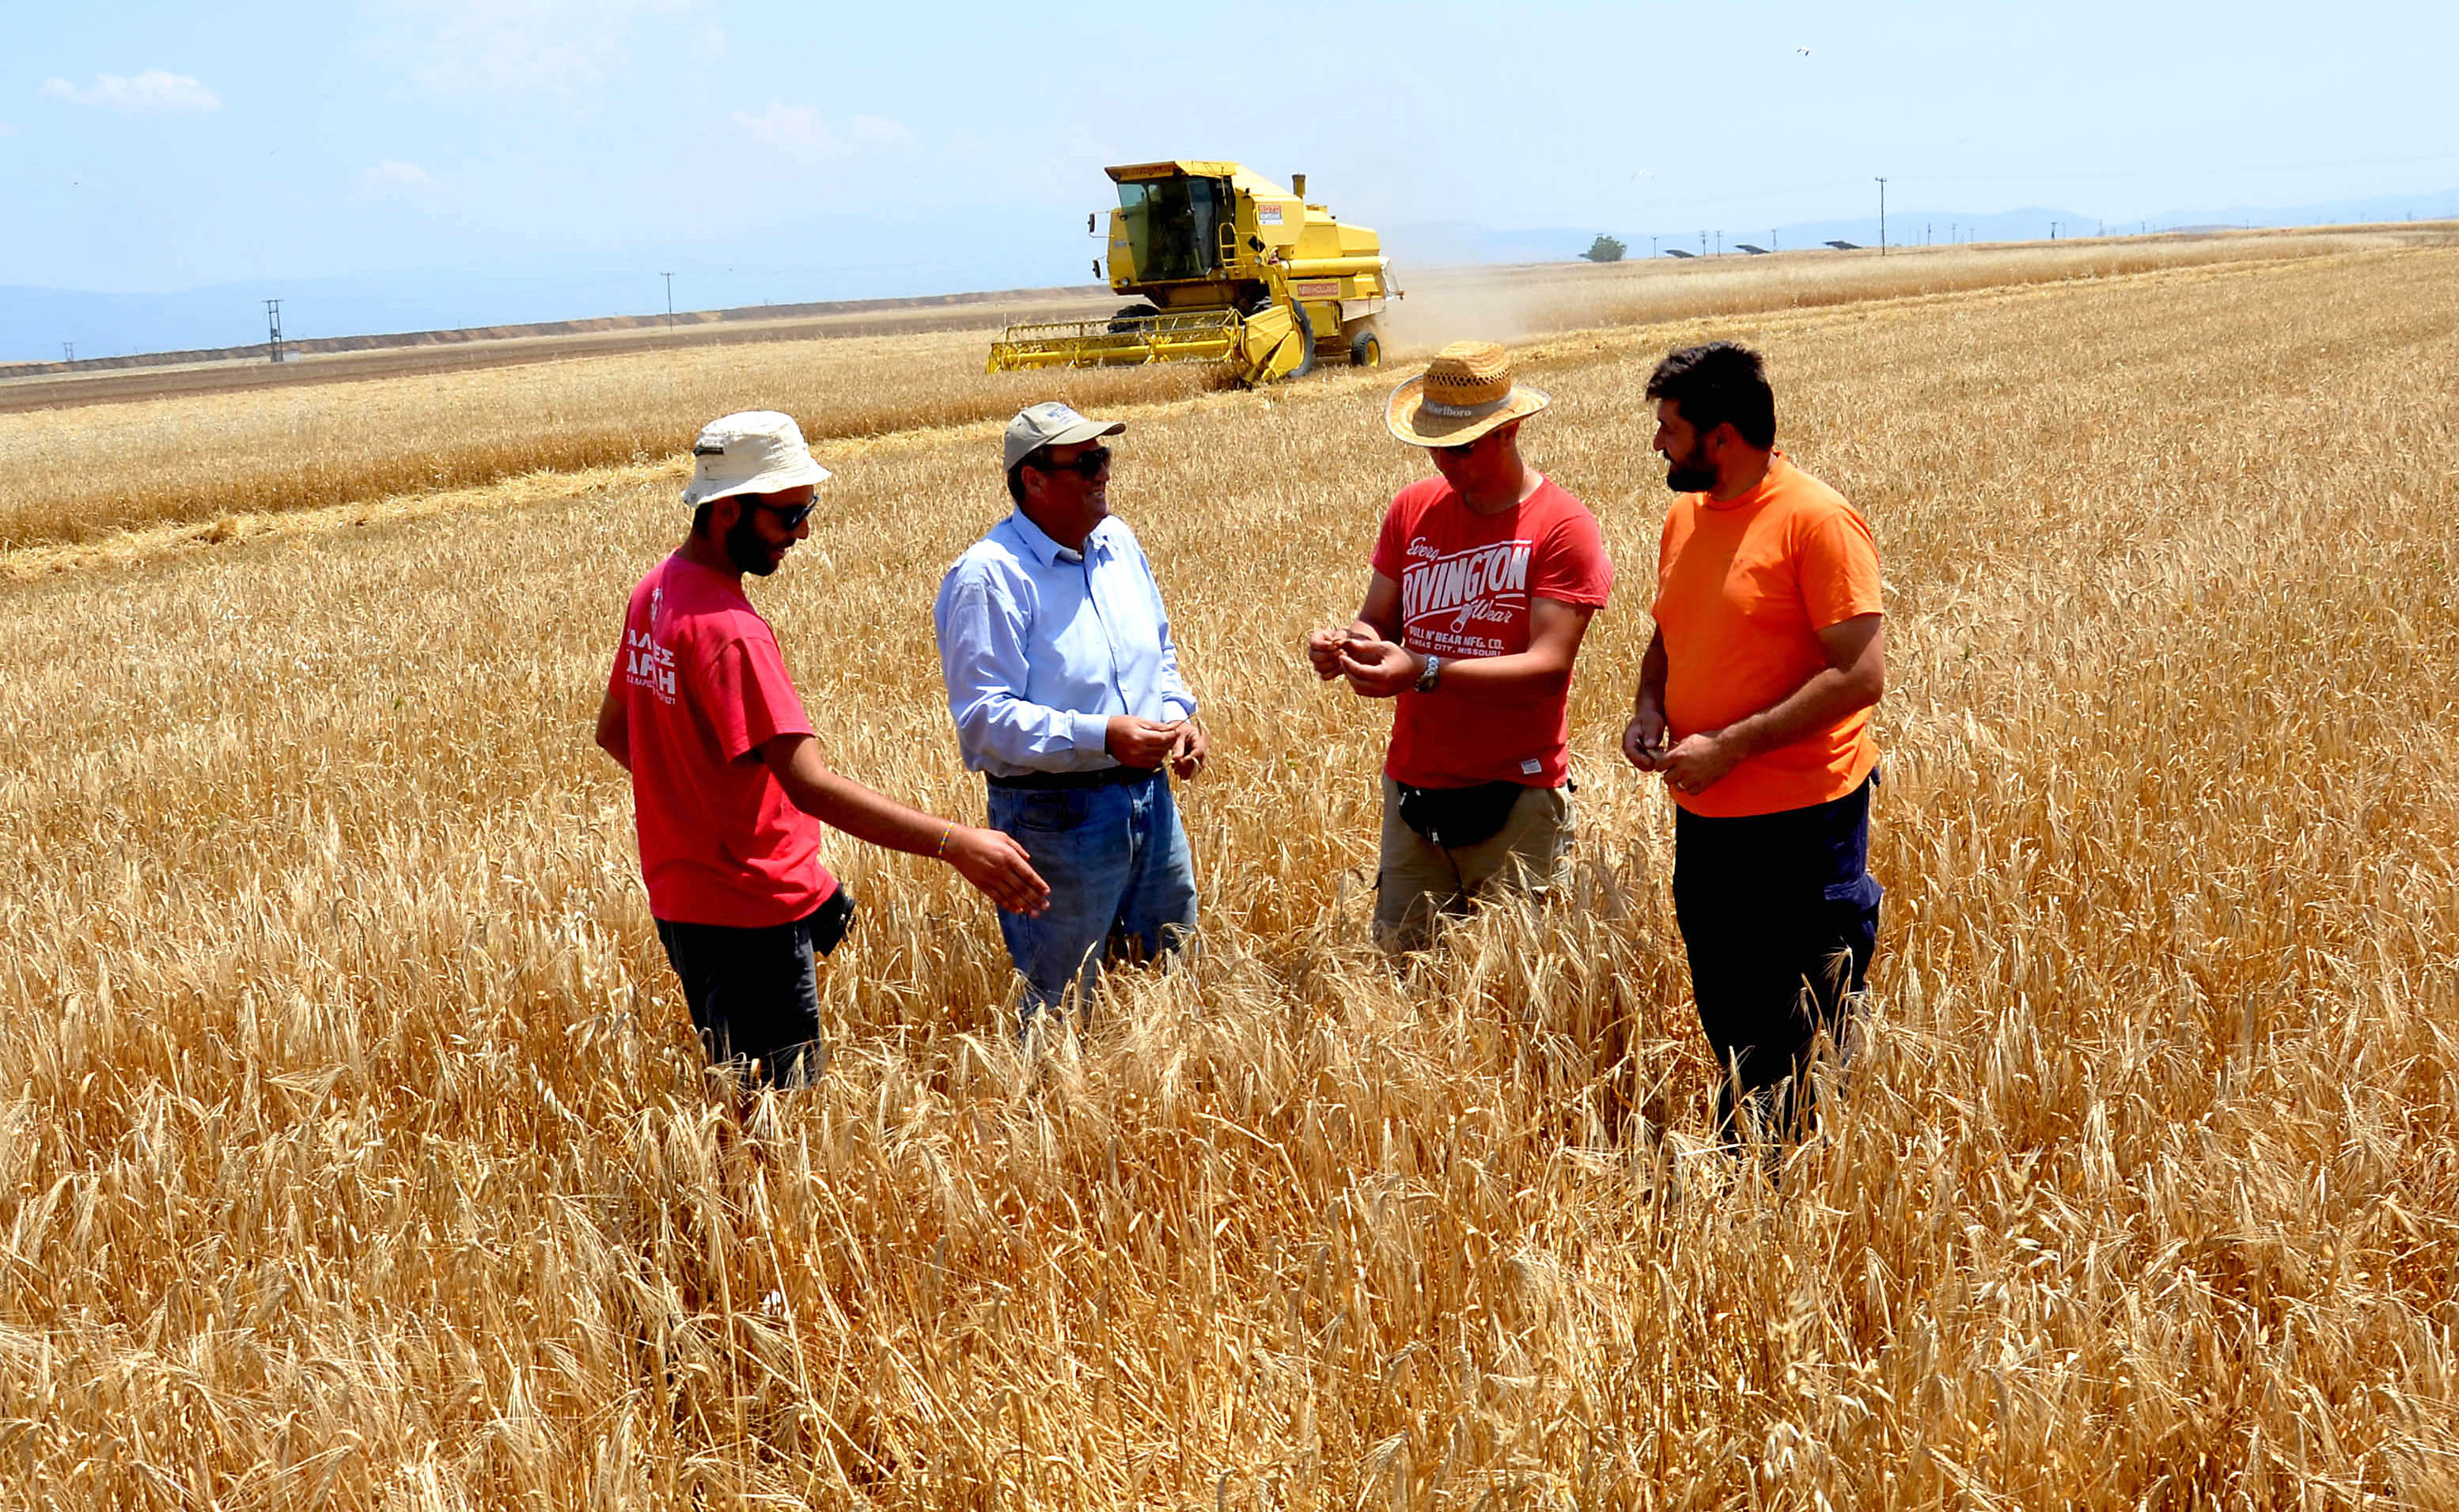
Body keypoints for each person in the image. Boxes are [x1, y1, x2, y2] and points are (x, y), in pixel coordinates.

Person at [595, 410, 1049, 1087]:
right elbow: (811, 785)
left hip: (685, 901)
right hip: (750, 914)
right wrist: (958, 843)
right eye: (787, 514)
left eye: (807, 508)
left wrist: (705, 811)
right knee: (777, 1116)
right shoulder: (732, 633)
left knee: (742, 1094)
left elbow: (615, 731)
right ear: (725, 513)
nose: (802, 530)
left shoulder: (654, 591)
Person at [1621, 343, 1885, 1142]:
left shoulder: (1817, 522)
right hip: (1707, 813)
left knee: (1802, 1011)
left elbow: (1860, 676)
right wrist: (1647, 706)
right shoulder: (1684, 516)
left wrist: (1731, 746)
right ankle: (1764, 1156)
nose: (1659, 444)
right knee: (1729, 1001)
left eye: (1670, 428)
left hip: (1804, 819)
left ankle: (1783, 1183)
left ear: (1722, 437)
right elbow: (1670, 632)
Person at [1306, 341, 1614, 953]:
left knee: (1514, 996)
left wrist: (1424, 670)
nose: (1445, 463)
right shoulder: (1412, 510)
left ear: (1511, 429)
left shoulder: (1562, 527)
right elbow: (1378, 621)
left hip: (1517, 798)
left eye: (1462, 447)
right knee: (1404, 980)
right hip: (1414, 791)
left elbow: (1548, 668)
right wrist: (1347, 645)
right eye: (1435, 446)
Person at [933, 402, 1208, 1029]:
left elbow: (1158, 652)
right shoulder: (989, 577)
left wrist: (1177, 714)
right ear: (1032, 480)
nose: (1101, 473)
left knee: (1172, 977)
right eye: (1085, 462)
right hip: (1055, 818)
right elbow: (982, 719)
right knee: (1065, 1013)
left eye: (1103, 456)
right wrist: (1103, 735)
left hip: (1149, 800)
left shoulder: (1118, 542)